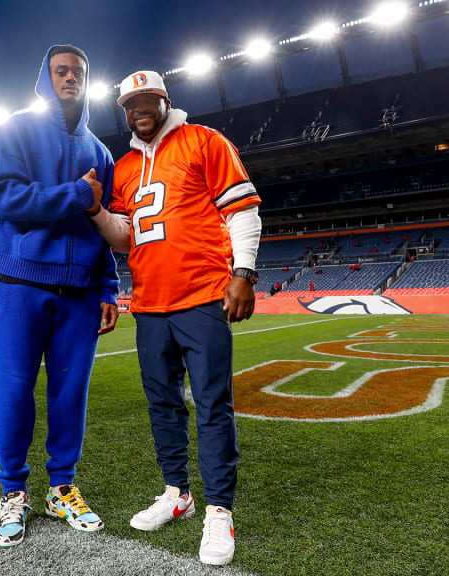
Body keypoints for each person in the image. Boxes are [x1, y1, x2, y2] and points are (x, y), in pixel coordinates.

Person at [89, 70, 261, 566]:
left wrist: (243, 272)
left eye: (147, 100)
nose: (139, 109)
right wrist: (97, 211)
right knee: (162, 405)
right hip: (150, 305)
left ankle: (219, 510)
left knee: (212, 406)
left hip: (203, 297)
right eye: (130, 104)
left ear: (165, 100)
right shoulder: (122, 168)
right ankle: (177, 493)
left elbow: (242, 211)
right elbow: (125, 237)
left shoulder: (204, 141)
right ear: (123, 111)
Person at [0, 44, 119, 548]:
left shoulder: (100, 153)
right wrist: (77, 194)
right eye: (61, 71)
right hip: (22, 282)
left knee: (70, 395)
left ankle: (61, 488)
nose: (71, 79)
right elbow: (8, 199)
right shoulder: (15, 129)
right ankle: (12, 493)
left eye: (78, 73)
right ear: (45, 76)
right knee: (15, 391)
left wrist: (108, 285)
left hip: (82, 292)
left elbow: (102, 227)